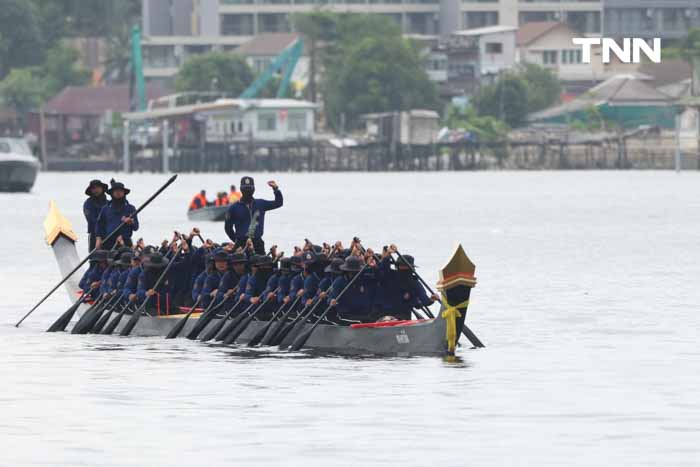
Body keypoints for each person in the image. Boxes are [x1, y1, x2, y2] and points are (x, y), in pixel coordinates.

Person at [224, 176, 283, 255]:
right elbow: (228, 228)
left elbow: (278, 203)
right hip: (241, 244)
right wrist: (236, 241)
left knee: (262, 264)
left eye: (249, 188)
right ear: (241, 189)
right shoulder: (233, 208)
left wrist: (276, 189)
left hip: (257, 243)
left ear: (254, 189)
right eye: (245, 188)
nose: (248, 190)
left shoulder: (261, 204)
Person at [377, 247, 439, 321]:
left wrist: (432, 299)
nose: (402, 268)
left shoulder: (414, 282)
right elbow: (383, 269)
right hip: (385, 316)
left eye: (404, 266)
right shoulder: (390, 275)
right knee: (387, 318)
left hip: (402, 318)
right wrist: (388, 255)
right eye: (401, 266)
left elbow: (423, 301)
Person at [96, 179, 139, 249]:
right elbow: (99, 225)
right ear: (112, 193)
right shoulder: (105, 208)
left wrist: (131, 222)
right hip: (108, 241)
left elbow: (136, 227)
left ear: (124, 193)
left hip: (125, 242)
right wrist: (98, 239)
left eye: (120, 191)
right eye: (116, 191)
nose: (118, 193)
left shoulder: (131, 208)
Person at [83, 179, 108, 252]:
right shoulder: (88, 204)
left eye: (98, 187)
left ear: (102, 188)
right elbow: (92, 220)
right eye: (93, 188)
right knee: (94, 258)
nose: (96, 190)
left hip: (110, 233)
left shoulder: (108, 203)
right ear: (91, 190)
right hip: (94, 234)